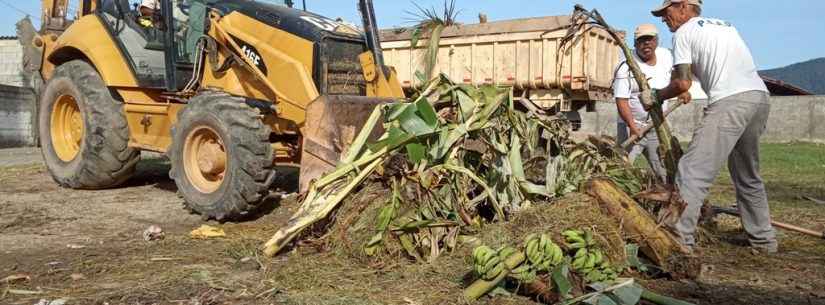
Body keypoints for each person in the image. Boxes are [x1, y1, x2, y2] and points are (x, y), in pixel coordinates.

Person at [651, 0, 777, 252]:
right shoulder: (725, 27)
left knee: (693, 170)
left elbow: (683, 83)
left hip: (730, 102)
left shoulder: (685, 32)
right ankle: (764, 240)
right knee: (747, 174)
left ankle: (678, 241)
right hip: (759, 97)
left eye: (667, 12)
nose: (664, 19)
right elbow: (697, 72)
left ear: (684, 7)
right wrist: (672, 85)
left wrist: (656, 96)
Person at [612, 24, 672, 183]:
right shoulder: (625, 67)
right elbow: (621, 100)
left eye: (649, 39)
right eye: (641, 40)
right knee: (622, 169)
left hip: (657, 125)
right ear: (634, 44)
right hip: (631, 127)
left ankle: (665, 196)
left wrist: (682, 91)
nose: (646, 44)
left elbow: (674, 78)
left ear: (657, 41)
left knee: (664, 170)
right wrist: (632, 125)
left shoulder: (666, 57)